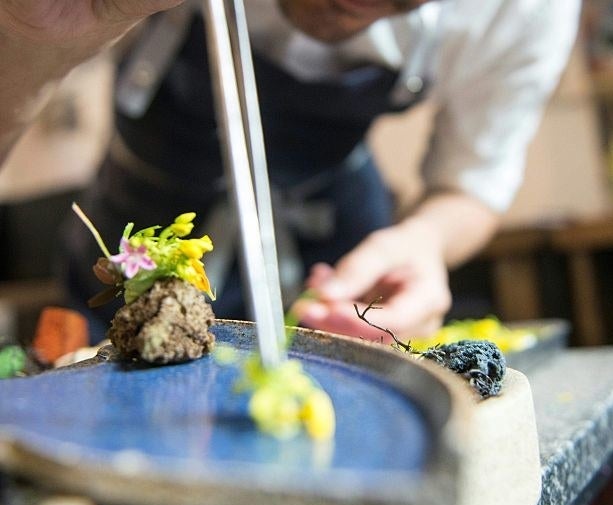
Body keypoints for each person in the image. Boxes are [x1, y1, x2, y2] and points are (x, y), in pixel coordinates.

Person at [0, 0, 581, 343]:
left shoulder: (528, 9)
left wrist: (423, 239)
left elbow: (473, 183)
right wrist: (31, 44)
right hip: (139, 226)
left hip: (334, 237)